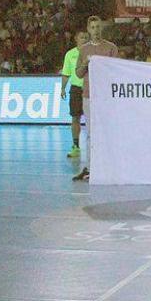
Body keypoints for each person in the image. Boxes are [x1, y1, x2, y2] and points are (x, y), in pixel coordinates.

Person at [73, 16, 119, 182]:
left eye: (98, 27)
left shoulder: (111, 48)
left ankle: (109, 165)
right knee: (91, 133)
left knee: (107, 131)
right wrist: (85, 64)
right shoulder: (83, 50)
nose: (96, 30)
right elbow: (78, 73)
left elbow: (116, 71)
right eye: (93, 27)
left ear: (101, 28)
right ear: (88, 29)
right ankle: (91, 167)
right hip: (89, 95)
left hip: (105, 97)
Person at [61, 30, 90, 159]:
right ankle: (76, 146)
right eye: (81, 37)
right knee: (75, 118)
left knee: (92, 119)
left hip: (90, 89)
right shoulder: (70, 54)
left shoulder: (91, 53)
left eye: (85, 37)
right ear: (76, 39)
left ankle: (94, 146)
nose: (83, 39)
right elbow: (66, 73)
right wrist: (62, 88)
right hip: (76, 88)